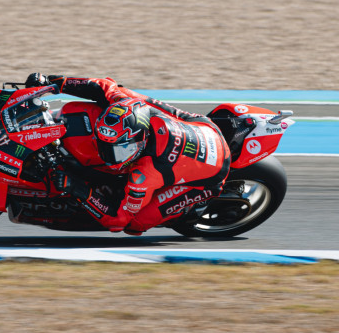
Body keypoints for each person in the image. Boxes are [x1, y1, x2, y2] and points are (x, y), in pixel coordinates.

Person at [25, 73, 231, 236]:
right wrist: (52, 82)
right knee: (123, 92)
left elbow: (117, 222)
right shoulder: (126, 103)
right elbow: (103, 86)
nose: (107, 157)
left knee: (135, 225)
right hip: (203, 126)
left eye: (118, 151)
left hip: (212, 173)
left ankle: (184, 211)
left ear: (139, 142)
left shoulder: (143, 176)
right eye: (104, 146)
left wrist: (77, 188)